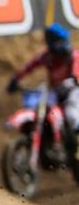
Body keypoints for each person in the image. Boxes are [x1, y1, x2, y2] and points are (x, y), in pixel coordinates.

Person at [7, 24, 79, 163]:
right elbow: (30, 66)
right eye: (61, 42)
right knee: (46, 110)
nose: (64, 44)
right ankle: (51, 143)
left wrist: (75, 77)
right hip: (56, 91)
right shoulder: (47, 57)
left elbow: (77, 67)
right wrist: (15, 79)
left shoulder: (73, 55)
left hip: (73, 90)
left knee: (72, 114)